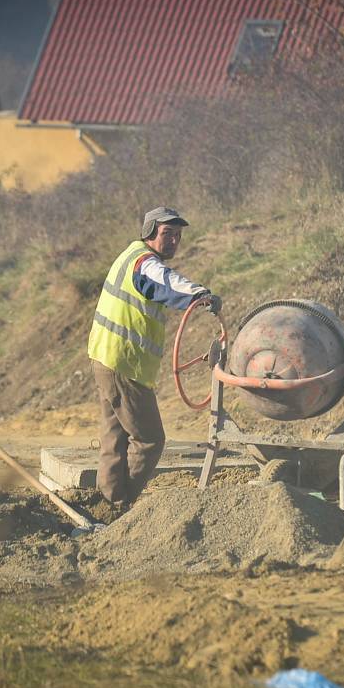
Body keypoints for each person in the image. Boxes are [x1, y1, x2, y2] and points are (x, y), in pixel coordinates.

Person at [87, 207, 221, 508]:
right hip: (125, 365)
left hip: (107, 359)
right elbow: (166, 283)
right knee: (150, 440)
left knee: (115, 439)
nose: (173, 240)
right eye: (166, 234)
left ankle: (106, 505)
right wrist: (201, 295)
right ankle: (120, 508)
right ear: (149, 233)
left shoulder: (129, 256)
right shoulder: (144, 263)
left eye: (177, 236)